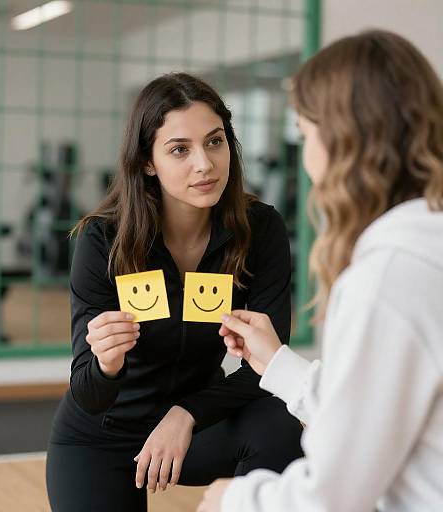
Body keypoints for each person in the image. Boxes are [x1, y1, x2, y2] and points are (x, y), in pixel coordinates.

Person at [197, 29, 443, 512]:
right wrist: (279, 365)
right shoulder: (426, 242)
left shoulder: (388, 276)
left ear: (341, 141)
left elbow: (334, 494)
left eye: (306, 134)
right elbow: (377, 414)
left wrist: (234, 499)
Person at [46, 72, 303, 511]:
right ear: (148, 161)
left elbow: (270, 364)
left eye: (215, 141)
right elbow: (88, 391)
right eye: (179, 150)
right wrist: (106, 364)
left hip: (199, 422)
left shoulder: (260, 229)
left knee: (282, 424)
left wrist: (186, 413)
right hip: (102, 434)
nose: (203, 164)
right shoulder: (103, 240)